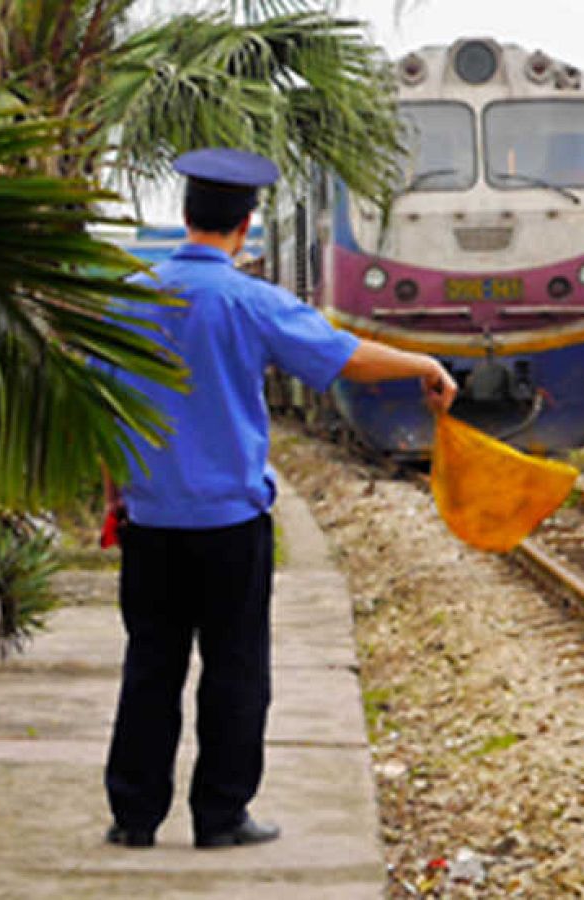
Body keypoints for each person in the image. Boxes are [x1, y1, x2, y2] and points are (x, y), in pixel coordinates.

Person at [98, 147, 457, 851]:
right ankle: (221, 816)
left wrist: (115, 496)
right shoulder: (252, 302)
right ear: (246, 224)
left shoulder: (128, 298)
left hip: (151, 521)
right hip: (230, 526)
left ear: (184, 216)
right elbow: (340, 354)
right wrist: (423, 362)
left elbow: (102, 407)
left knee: (150, 666)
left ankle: (133, 818)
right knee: (234, 669)